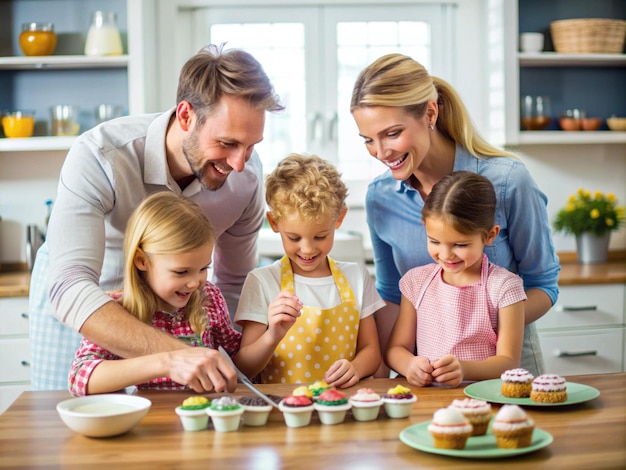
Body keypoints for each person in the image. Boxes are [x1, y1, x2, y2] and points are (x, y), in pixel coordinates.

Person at [29, 44, 284, 391]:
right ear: (185, 116)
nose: (239, 163)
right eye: (227, 143)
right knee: (64, 428)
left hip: (182, 324)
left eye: (251, 145)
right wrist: (175, 356)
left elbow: (234, 285)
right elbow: (70, 285)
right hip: (87, 312)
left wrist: (225, 359)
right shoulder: (101, 156)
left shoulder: (246, 180)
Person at [350, 53, 560, 378]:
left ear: (430, 112)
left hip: (505, 372)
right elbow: (392, 295)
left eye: (392, 134)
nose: (380, 152)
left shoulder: (507, 181)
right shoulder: (381, 198)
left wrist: (471, 319)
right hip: (428, 378)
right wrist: (387, 373)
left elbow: (543, 284)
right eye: (367, 140)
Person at [68, 192, 242, 396]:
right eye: (181, 272)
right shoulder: (117, 310)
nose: (196, 282)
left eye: (204, 268)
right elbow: (79, 379)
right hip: (150, 420)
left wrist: (270, 335)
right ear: (142, 261)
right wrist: (166, 363)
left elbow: (235, 358)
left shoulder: (208, 298)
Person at [233, 154, 384, 388]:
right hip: (284, 411)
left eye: (320, 236)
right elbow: (244, 366)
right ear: (274, 223)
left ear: (339, 218)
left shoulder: (356, 276)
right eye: (294, 237)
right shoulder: (263, 282)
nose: (307, 248)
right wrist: (273, 334)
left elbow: (371, 351)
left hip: (341, 407)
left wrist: (356, 367)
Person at [386, 171, 526, 387]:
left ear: (490, 235)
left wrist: (464, 369)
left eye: (459, 245)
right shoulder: (416, 282)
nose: (445, 254)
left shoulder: (504, 286)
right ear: (424, 225)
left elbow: (509, 362)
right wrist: (409, 365)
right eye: (434, 241)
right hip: (429, 400)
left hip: (483, 397)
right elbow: (396, 349)